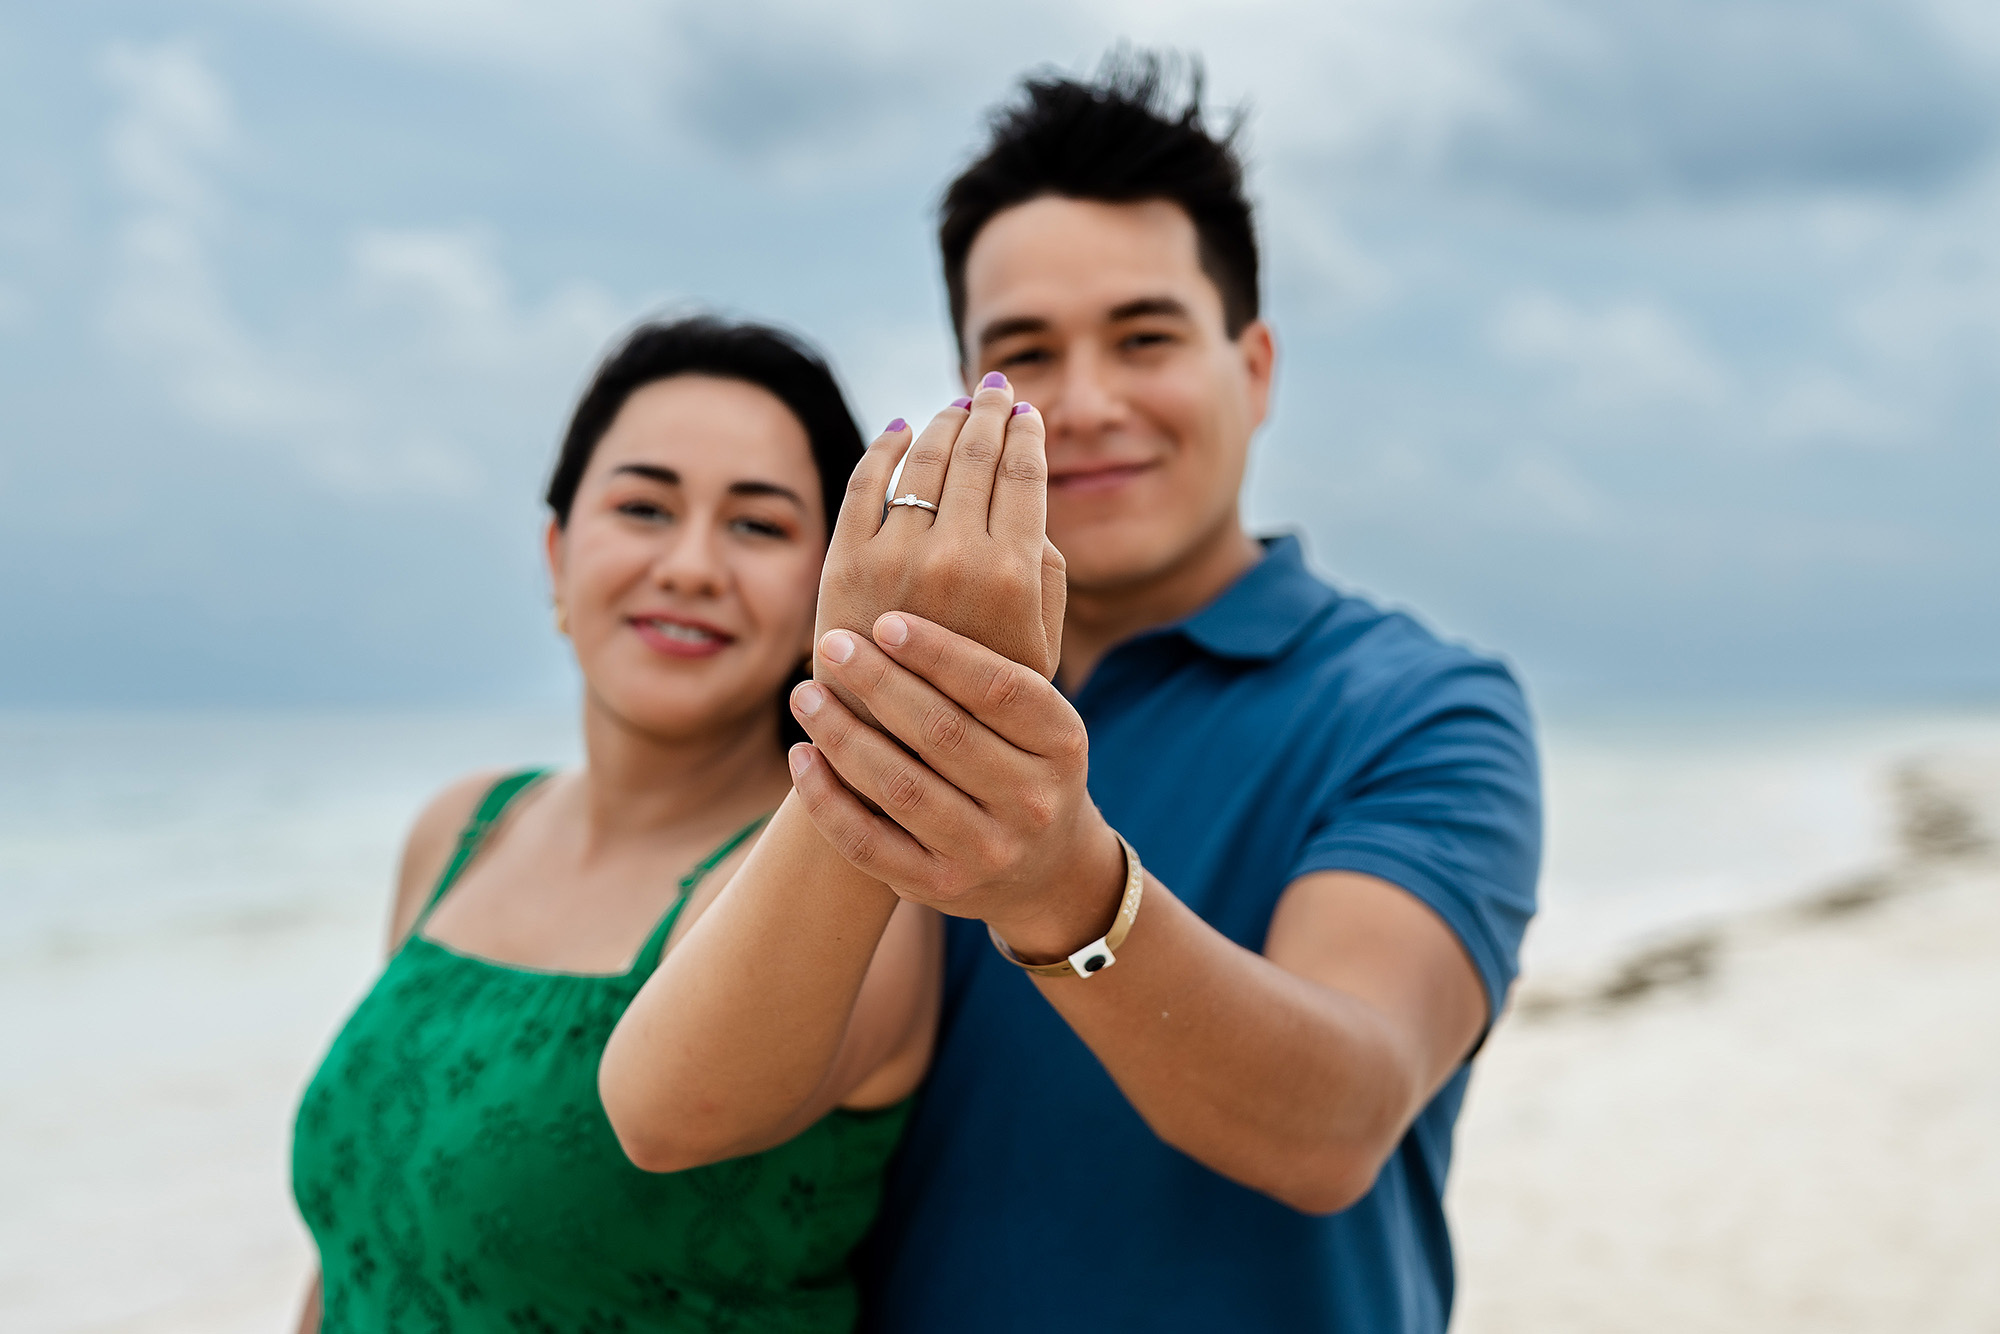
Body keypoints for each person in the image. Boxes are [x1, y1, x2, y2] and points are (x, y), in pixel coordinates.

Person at [604, 54, 1542, 1332]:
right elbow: (680, 1109)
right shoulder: (869, 697)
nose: (1089, 401)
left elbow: (1336, 1121)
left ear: (1252, 367)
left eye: (1145, 337)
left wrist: (1055, 882)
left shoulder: (1415, 707)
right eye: (1023, 352)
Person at [288, 316, 944, 1333]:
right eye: (642, 506)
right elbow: (358, 1245)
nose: (688, 565)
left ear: (829, 583)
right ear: (557, 554)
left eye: (757, 525)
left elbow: (681, 1113)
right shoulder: (462, 829)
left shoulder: (863, 889)